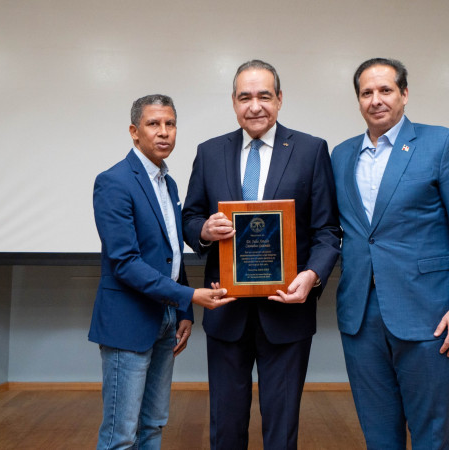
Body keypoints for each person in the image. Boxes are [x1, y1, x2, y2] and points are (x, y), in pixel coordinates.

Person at [181, 60, 341, 450]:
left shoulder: (310, 150)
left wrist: (312, 276)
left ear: (280, 99)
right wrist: (203, 230)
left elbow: (327, 231)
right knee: (226, 426)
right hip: (226, 308)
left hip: (287, 310)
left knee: (282, 428)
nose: (255, 106)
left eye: (264, 96)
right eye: (245, 97)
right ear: (233, 103)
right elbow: (190, 217)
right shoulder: (209, 151)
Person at [330, 58, 449, 449]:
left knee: (430, 434)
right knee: (378, 434)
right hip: (360, 317)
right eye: (367, 92)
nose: (376, 100)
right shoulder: (341, 155)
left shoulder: (442, 143)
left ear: (404, 94)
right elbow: (337, 231)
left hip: (428, 315)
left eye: (385, 90)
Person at [88, 94, 235, 450]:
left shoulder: (167, 183)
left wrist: (183, 310)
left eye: (170, 124)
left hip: (166, 319)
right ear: (134, 132)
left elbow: (171, 253)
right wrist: (191, 296)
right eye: (154, 124)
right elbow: (125, 263)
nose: (164, 132)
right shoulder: (114, 181)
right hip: (129, 323)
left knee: (153, 425)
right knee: (119, 435)